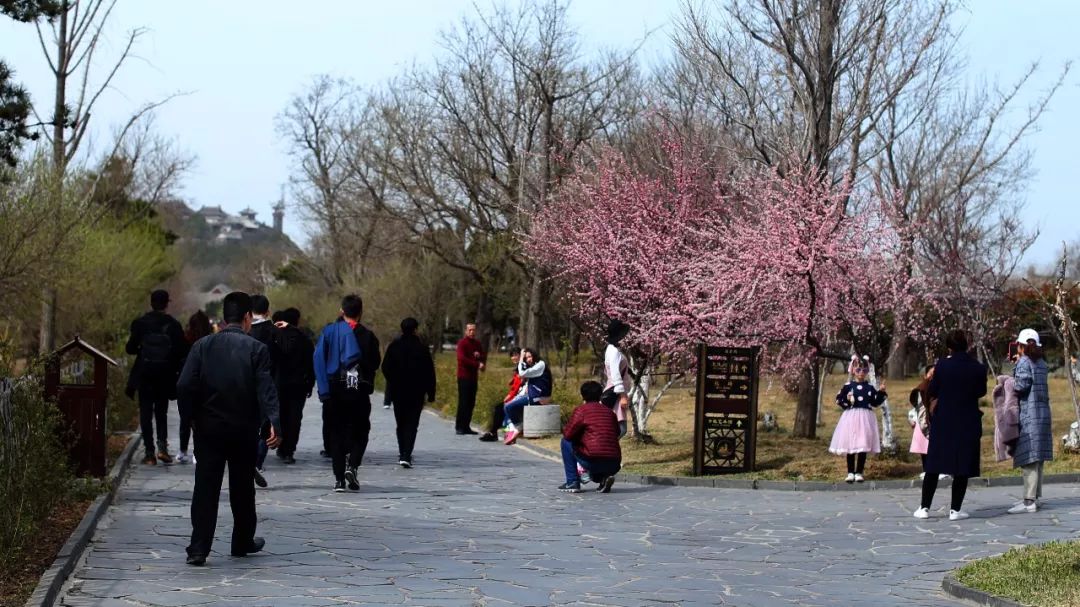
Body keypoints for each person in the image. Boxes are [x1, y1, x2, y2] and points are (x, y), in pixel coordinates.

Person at [176, 291, 282, 566]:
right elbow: (266, 390)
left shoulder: (202, 346)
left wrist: (190, 418)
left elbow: (185, 386)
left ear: (225, 317)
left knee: (205, 488)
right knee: (242, 487)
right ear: (248, 317)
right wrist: (273, 422)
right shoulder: (257, 349)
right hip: (243, 429)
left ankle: (199, 548)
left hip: (208, 429)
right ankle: (242, 541)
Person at [914, 330, 987, 521]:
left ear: (949, 347)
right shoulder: (978, 367)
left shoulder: (943, 366)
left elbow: (934, 389)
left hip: (944, 420)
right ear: (967, 345)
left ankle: (924, 507)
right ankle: (955, 510)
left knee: (934, 464)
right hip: (968, 420)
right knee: (962, 465)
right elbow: (981, 391)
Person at [314, 294, 379, 492]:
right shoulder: (368, 336)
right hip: (357, 391)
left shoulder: (330, 332)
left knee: (336, 433)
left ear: (342, 311)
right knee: (361, 430)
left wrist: (323, 389)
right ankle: (353, 465)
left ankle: (339, 479)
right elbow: (375, 363)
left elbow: (318, 359)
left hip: (334, 389)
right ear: (360, 312)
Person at [125, 289, 186, 465]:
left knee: (145, 412)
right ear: (167, 304)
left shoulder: (140, 323)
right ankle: (162, 449)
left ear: (151, 303)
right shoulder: (173, 325)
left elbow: (129, 348)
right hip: (164, 374)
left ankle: (149, 452)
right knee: (161, 411)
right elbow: (182, 350)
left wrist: (142, 350)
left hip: (144, 373)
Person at [381, 317, 437, 467]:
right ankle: (407, 454)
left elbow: (385, 367)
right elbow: (430, 372)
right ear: (415, 329)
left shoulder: (394, 346)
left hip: (399, 390)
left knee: (401, 423)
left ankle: (402, 452)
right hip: (417, 391)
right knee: (412, 424)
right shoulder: (422, 348)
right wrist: (431, 392)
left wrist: (393, 381)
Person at [1009, 328, 1053, 514]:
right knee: (1038, 459)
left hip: (1030, 414)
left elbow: (1021, 385)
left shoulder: (1024, 363)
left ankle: (1029, 501)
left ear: (1021, 345)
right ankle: (1035, 497)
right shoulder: (1042, 363)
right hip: (1043, 413)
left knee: (1029, 459)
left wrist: (1011, 376)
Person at [828, 357, 887, 483]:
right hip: (851, 418)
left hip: (865, 419)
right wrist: (848, 403)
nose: (861, 372)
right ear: (853, 370)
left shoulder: (870, 387)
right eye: (858, 369)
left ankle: (859, 472)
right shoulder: (848, 386)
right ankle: (850, 472)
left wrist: (881, 392)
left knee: (862, 444)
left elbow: (875, 402)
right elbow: (839, 399)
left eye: (864, 370)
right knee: (850, 444)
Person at [558, 381, 622, 494]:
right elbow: (617, 433)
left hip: (592, 460)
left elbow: (568, 435)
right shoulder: (610, 412)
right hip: (614, 463)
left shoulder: (581, 411)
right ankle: (603, 478)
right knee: (600, 455)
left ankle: (572, 482)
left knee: (565, 442)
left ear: (582, 395)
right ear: (600, 395)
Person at [273, 307, 315, 465]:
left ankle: (281, 446)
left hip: (279, 383)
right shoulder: (304, 339)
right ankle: (289, 450)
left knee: (282, 416)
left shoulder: (276, 337)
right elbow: (310, 365)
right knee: (295, 418)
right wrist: (310, 384)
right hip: (299, 384)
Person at [247, 295, 279, 488]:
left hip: (246, 384)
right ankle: (257, 462)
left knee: (248, 424)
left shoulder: (246, 332)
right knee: (265, 427)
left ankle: (249, 461)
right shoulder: (275, 332)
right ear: (268, 311)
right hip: (269, 385)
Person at [176, 310, 213, 465]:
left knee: (186, 418)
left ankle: (182, 451)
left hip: (186, 382)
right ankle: (199, 452)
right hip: (206, 383)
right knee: (203, 418)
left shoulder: (186, 338)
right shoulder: (211, 340)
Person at [503, 348, 553, 445]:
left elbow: (522, 374)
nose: (529, 359)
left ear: (535, 355)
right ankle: (515, 428)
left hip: (539, 397)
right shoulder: (534, 366)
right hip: (533, 395)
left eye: (530, 356)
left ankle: (518, 427)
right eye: (527, 358)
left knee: (509, 406)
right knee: (507, 406)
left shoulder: (540, 364)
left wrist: (521, 357)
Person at [478, 351, 524, 442]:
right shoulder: (518, 368)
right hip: (517, 395)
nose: (513, 357)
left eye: (516, 355)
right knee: (497, 408)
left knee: (500, 408)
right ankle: (493, 432)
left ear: (521, 356)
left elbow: (517, 386)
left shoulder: (522, 367)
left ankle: (494, 433)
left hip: (519, 396)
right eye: (512, 356)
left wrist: (509, 396)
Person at [601, 319, 633, 438]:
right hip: (616, 392)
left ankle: (607, 449)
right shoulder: (613, 351)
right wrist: (623, 396)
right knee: (621, 429)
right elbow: (615, 374)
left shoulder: (611, 349)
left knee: (617, 427)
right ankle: (607, 449)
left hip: (615, 390)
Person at [455, 323, 486, 434]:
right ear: (466, 331)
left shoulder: (477, 343)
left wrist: (479, 357)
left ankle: (466, 426)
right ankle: (459, 427)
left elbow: (482, 355)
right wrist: (477, 364)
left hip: (473, 377)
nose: (472, 332)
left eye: (473, 330)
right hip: (463, 376)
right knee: (463, 401)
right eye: (470, 330)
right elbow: (461, 358)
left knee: (471, 402)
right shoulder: (462, 343)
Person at [908, 364, 934, 480]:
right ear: (925, 375)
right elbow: (919, 407)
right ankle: (926, 469)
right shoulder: (922, 388)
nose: (933, 376)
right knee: (924, 448)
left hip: (935, 421)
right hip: (923, 420)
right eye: (931, 374)